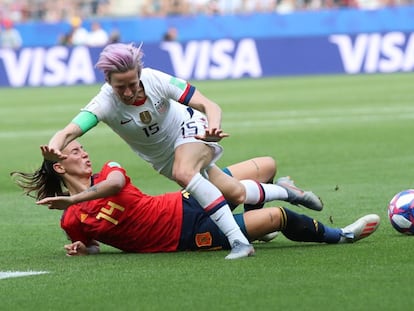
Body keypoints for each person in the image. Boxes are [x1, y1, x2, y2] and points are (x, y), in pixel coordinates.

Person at [42, 43, 323, 259]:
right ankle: (289, 192)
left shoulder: (155, 79)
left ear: (139, 75)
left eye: (132, 84)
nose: (128, 92)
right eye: (120, 87)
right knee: (235, 192)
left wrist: (212, 127)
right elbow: (68, 132)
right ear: (108, 82)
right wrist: (53, 149)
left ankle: (239, 242)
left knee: (184, 172)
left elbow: (210, 105)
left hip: (191, 129)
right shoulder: (104, 103)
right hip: (163, 159)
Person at [11, 141, 380, 256]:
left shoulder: (108, 171)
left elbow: (115, 184)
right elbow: (92, 246)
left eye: (81, 148)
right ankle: (341, 235)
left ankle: (260, 215)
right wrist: (81, 250)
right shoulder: (70, 220)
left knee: (266, 165)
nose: (83, 154)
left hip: (187, 199)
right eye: (74, 153)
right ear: (60, 168)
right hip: (188, 234)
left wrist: (74, 201)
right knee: (277, 217)